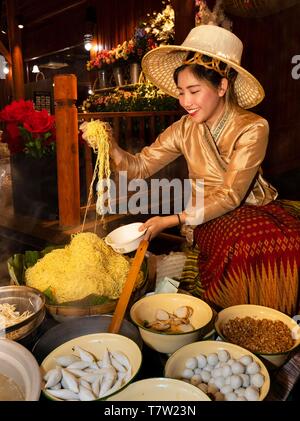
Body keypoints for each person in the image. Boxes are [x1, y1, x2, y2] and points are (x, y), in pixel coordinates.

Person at [109, 25, 300, 315]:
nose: (185, 102)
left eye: (194, 91)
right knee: (227, 236)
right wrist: (109, 145)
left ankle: (249, 317)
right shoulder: (184, 129)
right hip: (201, 213)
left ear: (222, 87)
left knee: (244, 240)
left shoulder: (253, 127)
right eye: (181, 92)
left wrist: (170, 220)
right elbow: (140, 166)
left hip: (246, 207)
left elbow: (230, 196)